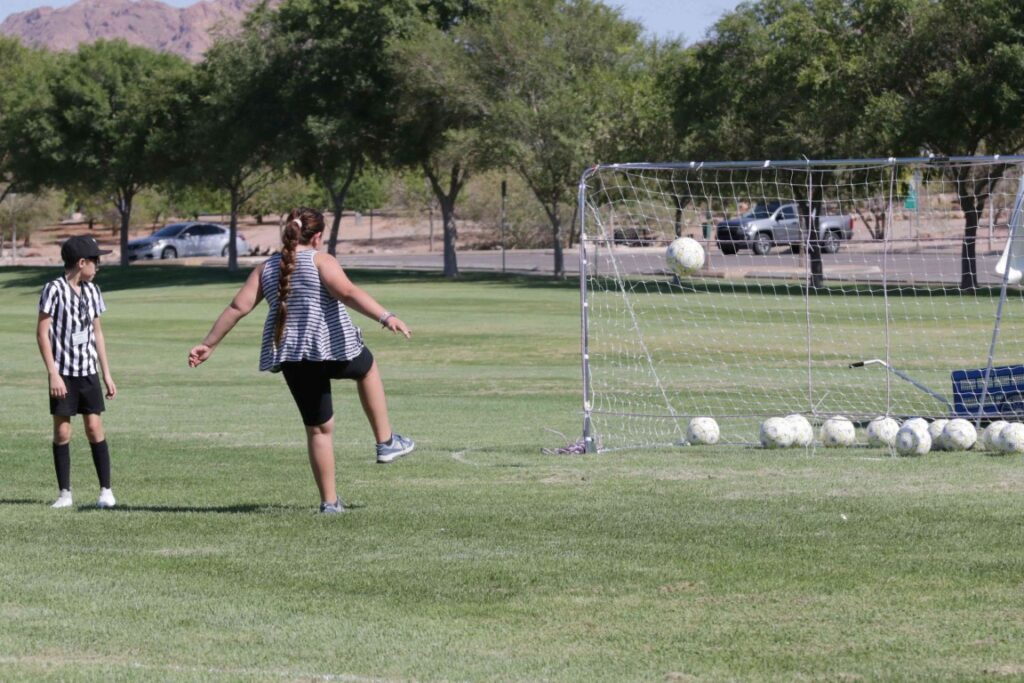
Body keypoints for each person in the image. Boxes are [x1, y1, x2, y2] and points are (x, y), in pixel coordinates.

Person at [188, 208, 414, 514]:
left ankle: (330, 503)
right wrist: (386, 316)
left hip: (292, 356)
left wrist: (208, 344)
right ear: (318, 236)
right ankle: (385, 442)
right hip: (332, 349)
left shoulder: (267, 268)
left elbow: (237, 307)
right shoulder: (321, 260)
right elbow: (347, 292)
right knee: (367, 367)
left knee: (319, 430)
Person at [37, 235, 118, 509]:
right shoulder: (53, 290)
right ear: (81, 262)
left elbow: (97, 333)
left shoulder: (93, 291)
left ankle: (106, 491)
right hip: (63, 374)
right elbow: (42, 332)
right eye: (96, 261)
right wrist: (53, 373)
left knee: (94, 428)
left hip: (87, 372)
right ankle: (65, 493)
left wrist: (106, 373)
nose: (98, 266)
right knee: (62, 432)